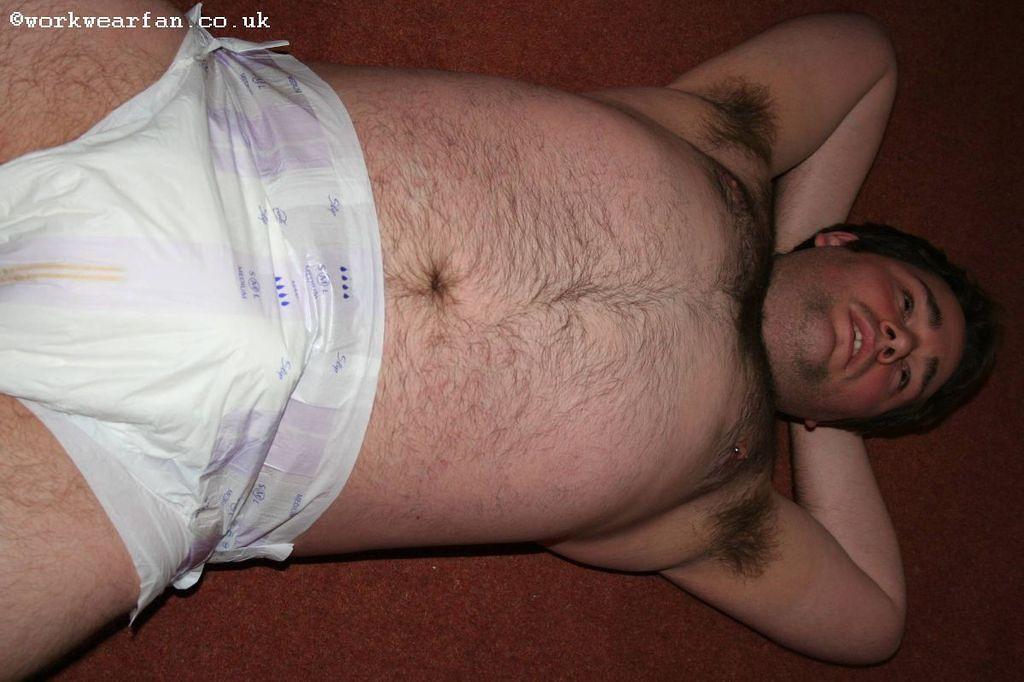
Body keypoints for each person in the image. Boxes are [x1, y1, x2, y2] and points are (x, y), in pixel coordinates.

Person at [0, 1, 996, 677]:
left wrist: (827, 415)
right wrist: (781, 244)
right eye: (910, 308)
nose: (894, 343)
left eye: (907, 378)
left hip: (178, 456)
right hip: (194, 124)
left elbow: (873, 621)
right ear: (845, 239)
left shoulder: (721, 505)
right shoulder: (728, 143)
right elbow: (865, 54)